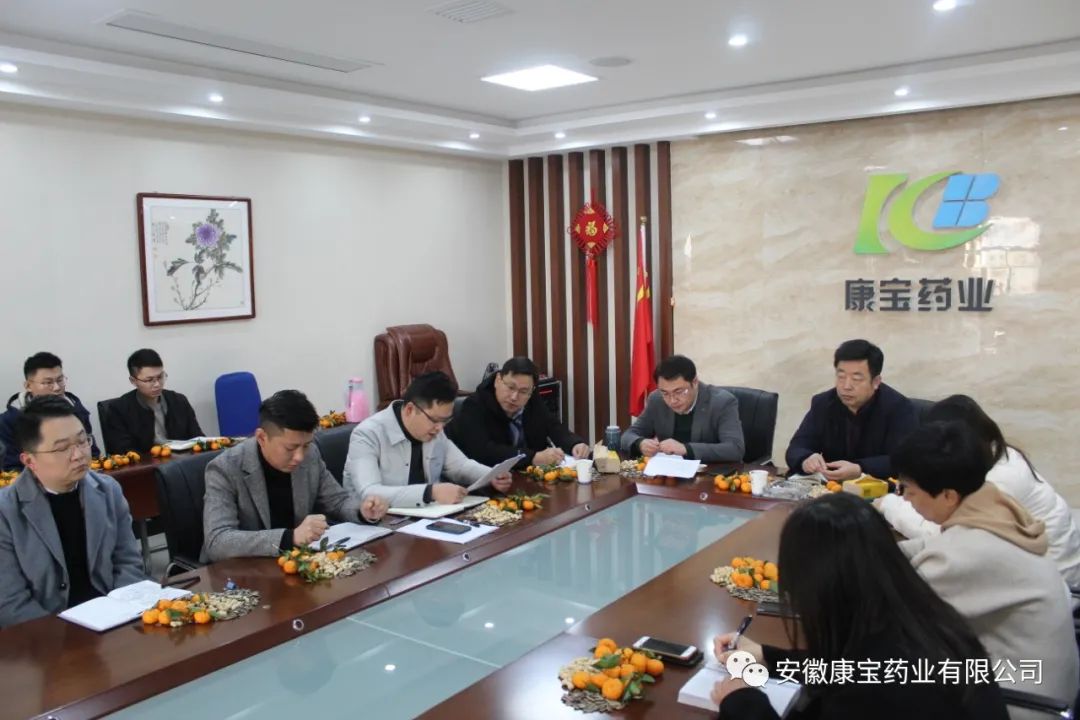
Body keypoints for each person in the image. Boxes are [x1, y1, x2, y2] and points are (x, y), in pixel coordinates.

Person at [710, 492, 1008, 720]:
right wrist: (767, 656)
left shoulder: (880, 689)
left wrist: (742, 703)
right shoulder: (913, 617)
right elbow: (849, 668)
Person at [891, 421, 1079, 710]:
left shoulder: (966, 552)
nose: (904, 499)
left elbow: (897, 619)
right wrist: (877, 549)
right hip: (1045, 679)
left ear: (948, 496)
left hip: (1023, 702)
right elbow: (931, 547)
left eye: (909, 491)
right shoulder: (996, 508)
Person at [878, 394, 1080, 586]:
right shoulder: (996, 456)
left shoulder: (997, 480)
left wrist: (887, 504)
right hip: (1036, 571)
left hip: (1060, 581)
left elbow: (942, 537)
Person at [0, 396, 145, 627]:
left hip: (114, 622)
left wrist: (120, 615)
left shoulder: (108, 490)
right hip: (46, 635)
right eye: (62, 448)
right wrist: (67, 637)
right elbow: (11, 603)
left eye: (82, 441)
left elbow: (128, 563)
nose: (78, 455)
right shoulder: (6, 511)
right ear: (29, 460)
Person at [201, 390, 388, 562]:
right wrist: (289, 538)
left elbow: (337, 501)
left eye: (305, 445)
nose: (299, 457)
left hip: (296, 564)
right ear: (262, 438)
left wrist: (362, 511)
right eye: (290, 448)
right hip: (244, 572)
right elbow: (217, 541)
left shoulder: (310, 455)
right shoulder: (225, 469)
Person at [344, 371, 512, 507]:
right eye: (435, 420)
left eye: (445, 421)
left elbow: (459, 466)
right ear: (410, 410)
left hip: (426, 518)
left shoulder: (435, 430)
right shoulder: (367, 434)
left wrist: (491, 475)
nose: (440, 428)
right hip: (377, 525)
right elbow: (370, 492)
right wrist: (430, 492)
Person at [785, 339, 916, 480]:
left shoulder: (899, 408)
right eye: (841, 377)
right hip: (830, 487)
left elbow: (904, 460)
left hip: (877, 488)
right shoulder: (823, 403)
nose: (846, 386)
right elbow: (797, 447)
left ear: (876, 382)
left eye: (856, 379)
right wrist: (806, 459)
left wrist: (860, 468)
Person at [447, 357, 588, 469]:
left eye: (523, 391)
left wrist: (574, 444)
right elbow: (483, 451)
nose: (514, 397)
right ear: (498, 380)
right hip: (483, 479)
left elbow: (553, 426)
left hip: (525, 475)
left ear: (531, 390)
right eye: (510, 387)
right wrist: (532, 457)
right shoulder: (474, 406)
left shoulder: (532, 399)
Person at [620, 355, 744, 462]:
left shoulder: (722, 402)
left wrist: (686, 449)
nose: (672, 400)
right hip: (669, 474)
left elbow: (735, 449)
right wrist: (639, 443)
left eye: (679, 392)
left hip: (710, 475)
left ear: (694, 382)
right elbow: (628, 436)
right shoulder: (656, 399)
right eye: (665, 393)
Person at [0, 352, 98, 470]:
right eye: (48, 383)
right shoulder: (9, 421)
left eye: (60, 380)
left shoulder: (76, 411)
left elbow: (93, 454)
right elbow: (12, 468)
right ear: (28, 386)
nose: (57, 388)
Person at [100, 348, 204, 455]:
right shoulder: (119, 410)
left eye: (160, 377)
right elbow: (123, 452)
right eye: (149, 380)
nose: (157, 384)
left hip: (183, 461)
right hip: (145, 464)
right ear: (133, 381)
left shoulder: (179, 401)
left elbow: (198, 439)